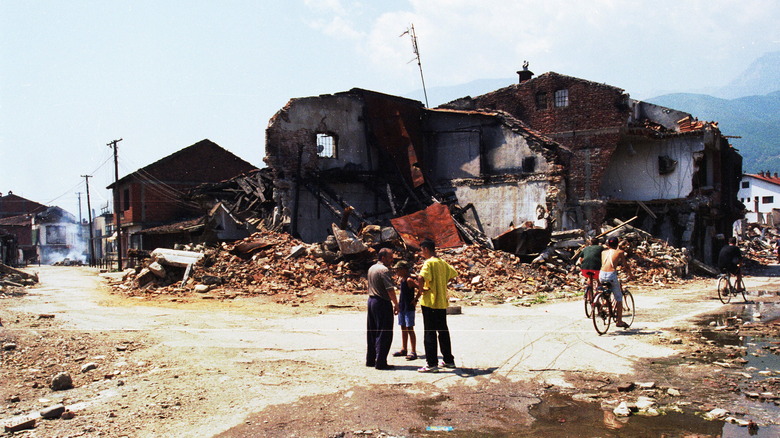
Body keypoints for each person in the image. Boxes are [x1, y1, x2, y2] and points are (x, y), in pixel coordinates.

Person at [416, 239, 458, 373]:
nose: (422, 253)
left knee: (429, 332)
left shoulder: (429, 263)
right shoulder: (442, 263)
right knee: (443, 331)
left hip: (429, 302)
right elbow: (453, 274)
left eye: (422, 250)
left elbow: (420, 277)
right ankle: (449, 360)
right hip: (441, 302)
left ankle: (431, 364)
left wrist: (422, 290)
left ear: (426, 249)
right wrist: (442, 283)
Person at [366, 247, 399, 370]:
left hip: (371, 301)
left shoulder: (372, 268)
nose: (392, 260)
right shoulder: (384, 270)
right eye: (390, 257)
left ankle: (370, 359)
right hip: (382, 302)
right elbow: (389, 289)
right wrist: (396, 304)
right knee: (384, 332)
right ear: (383, 257)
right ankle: (381, 362)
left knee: (372, 331)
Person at [599, 236, 633, 328]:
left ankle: (605, 304)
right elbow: (625, 265)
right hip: (611, 274)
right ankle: (619, 321)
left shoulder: (603, 252)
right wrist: (630, 274)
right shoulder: (620, 252)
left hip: (601, 274)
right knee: (618, 298)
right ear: (617, 244)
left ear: (607, 244)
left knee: (606, 291)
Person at [391, 260, 420, 361]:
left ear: (404, 269)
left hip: (409, 308)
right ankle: (404, 349)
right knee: (403, 327)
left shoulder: (409, 280)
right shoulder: (401, 280)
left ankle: (413, 351)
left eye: (398, 269)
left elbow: (420, 288)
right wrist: (397, 305)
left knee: (410, 328)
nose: (396, 272)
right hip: (402, 306)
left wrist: (416, 299)